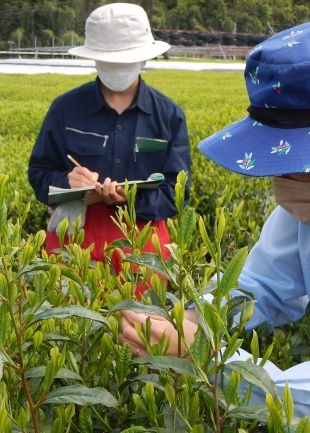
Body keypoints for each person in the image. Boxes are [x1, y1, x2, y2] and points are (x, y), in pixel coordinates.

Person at [120, 20, 310, 432]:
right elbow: (259, 287)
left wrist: (209, 360)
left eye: (302, 164)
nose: (284, 184)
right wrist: (191, 321)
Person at [28, 3, 191, 297]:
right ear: (94, 59)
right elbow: (39, 175)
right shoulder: (65, 109)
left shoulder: (168, 115)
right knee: (72, 329)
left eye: (125, 60)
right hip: (74, 237)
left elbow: (177, 194)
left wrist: (128, 200)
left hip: (143, 241)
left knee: (140, 334)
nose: (118, 69)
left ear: (144, 58)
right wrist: (69, 183)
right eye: (109, 60)